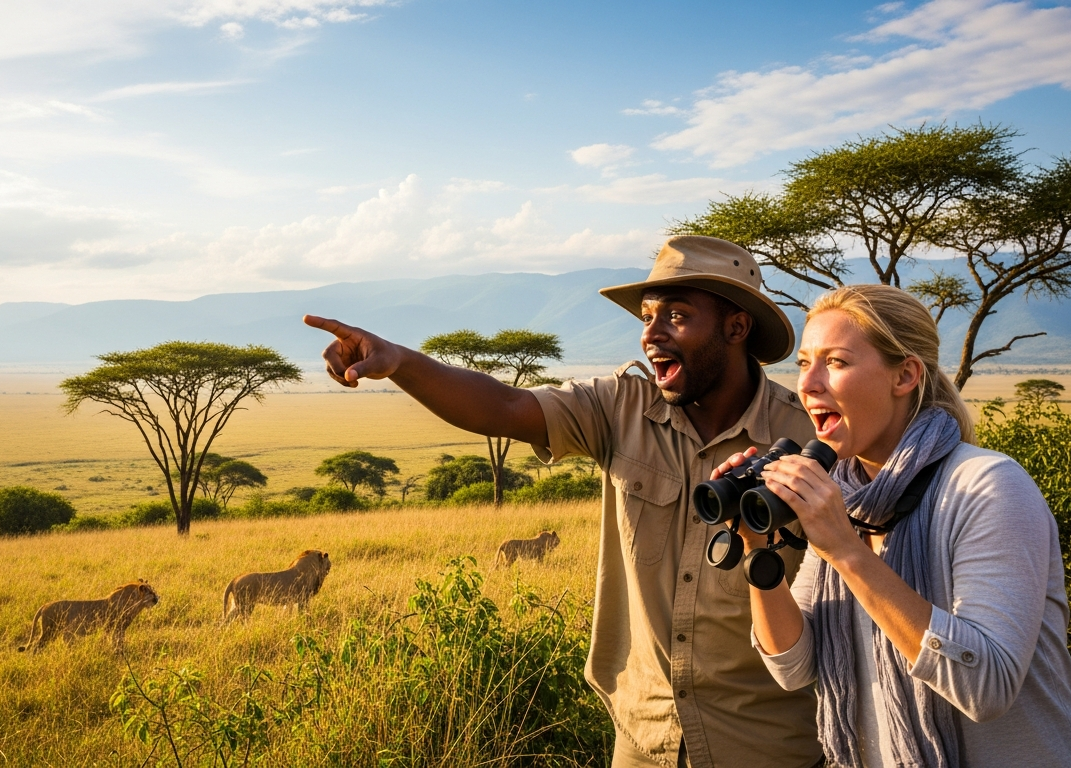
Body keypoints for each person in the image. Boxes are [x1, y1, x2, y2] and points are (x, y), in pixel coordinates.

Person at [305, 236, 824, 768]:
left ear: (736, 328)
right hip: (644, 741)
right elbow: (505, 405)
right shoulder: (618, 407)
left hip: (766, 746)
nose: (651, 334)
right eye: (647, 316)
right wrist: (399, 362)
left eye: (676, 316)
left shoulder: (808, 438)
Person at [727, 284, 1071, 767]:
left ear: (905, 375)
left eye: (836, 362)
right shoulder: (848, 497)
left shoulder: (987, 486)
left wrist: (845, 550)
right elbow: (794, 665)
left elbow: (986, 688)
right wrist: (754, 543)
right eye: (804, 363)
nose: (809, 384)